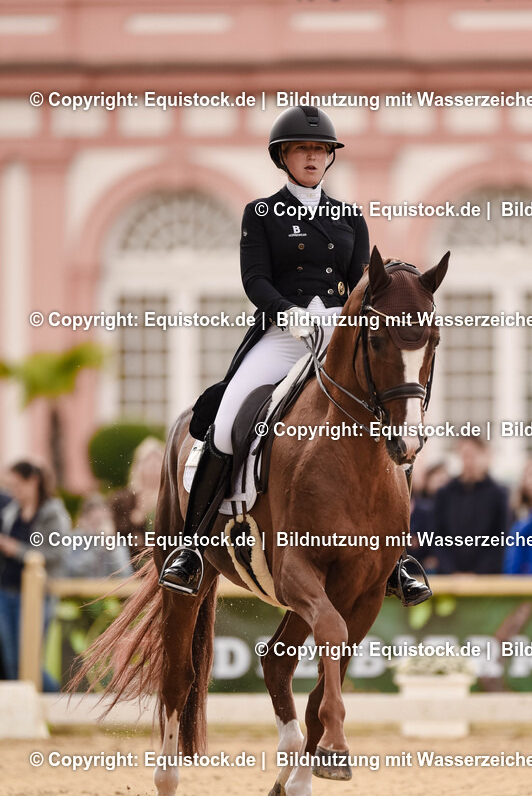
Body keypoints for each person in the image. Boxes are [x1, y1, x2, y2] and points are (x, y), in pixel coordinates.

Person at [159, 105, 431, 605]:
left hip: (338, 335)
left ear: (329, 158)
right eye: (303, 149)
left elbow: (362, 283)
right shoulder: (261, 213)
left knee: (391, 420)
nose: (312, 157)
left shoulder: (349, 217)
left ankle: (397, 558)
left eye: (320, 150)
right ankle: (193, 547)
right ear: (283, 156)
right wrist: (288, 313)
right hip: (282, 335)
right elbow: (255, 279)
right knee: (226, 422)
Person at [0, 460, 71, 687]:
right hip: (6, 591)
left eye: (18, 485)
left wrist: (17, 550)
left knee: (28, 662)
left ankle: (57, 699)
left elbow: (56, 553)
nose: (14, 492)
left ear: (33, 481)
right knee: (11, 663)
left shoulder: (53, 513)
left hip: (37, 595)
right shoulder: (11, 512)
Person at [431, 437, 509, 574]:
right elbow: (437, 537)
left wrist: (477, 574)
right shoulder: (445, 493)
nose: (468, 461)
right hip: (449, 577)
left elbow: (500, 539)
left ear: (483, 455)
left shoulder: (498, 494)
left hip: (486, 577)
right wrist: (451, 571)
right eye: (464, 455)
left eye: (473, 455)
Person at [110, 436, 164, 563]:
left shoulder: (170, 498)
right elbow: (115, 532)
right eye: (148, 461)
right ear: (138, 466)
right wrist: (133, 521)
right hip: (130, 561)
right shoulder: (123, 499)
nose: (153, 466)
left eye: (157, 461)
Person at [66, 495, 133, 579]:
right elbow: (72, 570)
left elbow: (125, 575)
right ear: (83, 520)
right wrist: (99, 547)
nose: (101, 527)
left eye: (105, 521)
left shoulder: (115, 542)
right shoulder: (73, 539)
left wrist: (111, 548)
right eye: (96, 521)